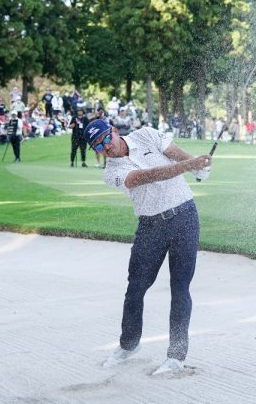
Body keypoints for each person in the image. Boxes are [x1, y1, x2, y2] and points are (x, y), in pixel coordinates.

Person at [83, 118, 211, 375]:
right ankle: (129, 345)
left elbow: (179, 155)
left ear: (115, 132)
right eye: (98, 147)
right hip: (151, 225)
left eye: (107, 139)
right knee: (136, 288)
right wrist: (190, 165)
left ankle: (176, 355)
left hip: (185, 216)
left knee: (180, 286)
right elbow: (146, 177)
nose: (106, 148)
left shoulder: (146, 135)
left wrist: (200, 166)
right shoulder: (112, 173)